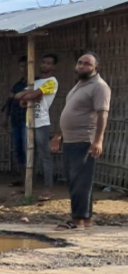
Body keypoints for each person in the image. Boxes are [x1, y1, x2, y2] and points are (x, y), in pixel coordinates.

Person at [54, 51, 111, 230]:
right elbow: (69, 112)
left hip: (85, 140)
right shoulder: (79, 85)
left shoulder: (99, 87)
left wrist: (98, 140)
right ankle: (85, 220)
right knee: (75, 181)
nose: (81, 66)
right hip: (71, 141)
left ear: (96, 68)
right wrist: (58, 135)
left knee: (80, 182)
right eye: (80, 62)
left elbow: (103, 114)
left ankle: (77, 220)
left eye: (87, 63)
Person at [14, 53, 59, 200]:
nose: (44, 65)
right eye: (43, 62)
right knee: (30, 155)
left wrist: (29, 95)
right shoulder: (36, 82)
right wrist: (31, 95)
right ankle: (28, 185)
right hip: (30, 122)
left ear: (53, 66)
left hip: (41, 122)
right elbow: (19, 99)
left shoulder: (52, 81)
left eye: (48, 63)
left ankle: (48, 188)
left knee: (44, 156)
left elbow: (30, 97)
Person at [6, 57, 30, 185]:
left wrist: (18, 96)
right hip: (15, 120)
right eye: (21, 66)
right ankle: (22, 178)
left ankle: (29, 179)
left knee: (28, 149)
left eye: (26, 65)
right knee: (18, 149)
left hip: (27, 121)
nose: (23, 69)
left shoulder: (34, 82)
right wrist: (5, 118)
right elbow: (9, 102)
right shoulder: (18, 84)